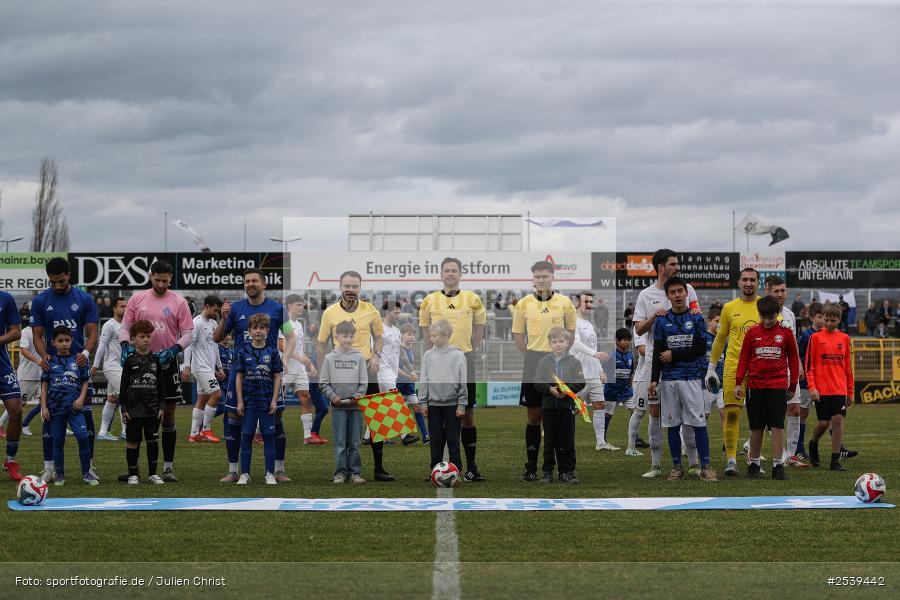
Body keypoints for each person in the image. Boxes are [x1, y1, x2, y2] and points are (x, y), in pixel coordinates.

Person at [214, 270, 297, 483]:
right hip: (240, 374)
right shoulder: (236, 309)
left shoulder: (277, 309)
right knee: (234, 421)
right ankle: (234, 470)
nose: (250, 284)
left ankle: (278, 470)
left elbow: (291, 336)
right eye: (247, 281)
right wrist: (224, 319)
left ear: (264, 284)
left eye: (254, 281)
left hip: (268, 376)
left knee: (276, 421)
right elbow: (217, 337)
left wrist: (286, 359)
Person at [118, 260, 193, 483]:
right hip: (138, 363)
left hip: (166, 363)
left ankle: (167, 469)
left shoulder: (179, 302)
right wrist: (124, 346)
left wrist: (174, 350)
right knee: (135, 414)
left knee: (167, 414)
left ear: (171, 279)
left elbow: (188, 333)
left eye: (165, 281)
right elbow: (125, 327)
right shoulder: (137, 299)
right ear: (151, 276)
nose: (161, 284)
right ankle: (134, 470)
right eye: (157, 279)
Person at [317, 271, 392, 481]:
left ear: (360, 288)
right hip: (340, 370)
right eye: (347, 286)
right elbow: (321, 344)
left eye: (355, 286)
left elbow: (379, 338)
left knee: (376, 419)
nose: (351, 290)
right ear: (340, 287)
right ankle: (342, 470)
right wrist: (322, 373)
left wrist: (376, 355)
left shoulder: (370, 310)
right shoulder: (330, 312)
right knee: (342, 420)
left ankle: (379, 468)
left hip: (367, 369)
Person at [633, 249, 701, 479]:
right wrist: (655, 316)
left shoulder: (688, 289)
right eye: (673, 264)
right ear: (661, 267)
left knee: (688, 412)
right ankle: (655, 465)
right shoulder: (646, 295)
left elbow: (696, 318)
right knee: (655, 411)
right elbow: (638, 330)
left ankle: (693, 463)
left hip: (684, 361)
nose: (677, 267)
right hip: (656, 361)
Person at [30, 257, 99, 482]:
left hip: (78, 365)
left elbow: (93, 332)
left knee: (85, 417)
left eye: (61, 281)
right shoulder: (40, 300)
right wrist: (44, 356)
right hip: (54, 367)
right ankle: (49, 468)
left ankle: (89, 466)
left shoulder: (84, 299)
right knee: (49, 418)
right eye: (53, 282)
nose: (57, 286)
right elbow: (37, 335)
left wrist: (85, 354)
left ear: (69, 275)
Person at [419, 257, 486, 481]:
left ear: (460, 274)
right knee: (437, 415)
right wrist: (436, 355)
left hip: (463, 358)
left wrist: (463, 351)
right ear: (441, 274)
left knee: (467, 415)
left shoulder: (472, 299)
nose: (450, 273)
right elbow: (425, 333)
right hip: (437, 361)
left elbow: (478, 331)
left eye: (454, 270)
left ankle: (471, 467)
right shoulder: (429, 301)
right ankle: (435, 468)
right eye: (446, 270)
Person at [512, 260, 577, 482]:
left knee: (559, 415)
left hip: (559, 361)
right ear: (533, 279)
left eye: (545, 276)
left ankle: (564, 469)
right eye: (537, 276)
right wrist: (533, 357)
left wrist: (560, 355)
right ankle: (531, 468)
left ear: (552, 278)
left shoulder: (565, 303)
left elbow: (571, 334)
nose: (541, 280)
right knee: (534, 416)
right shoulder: (523, 304)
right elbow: (518, 337)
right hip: (533, 361)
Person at [649, 276, 716, 482]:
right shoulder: (661, 321)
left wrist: (674, 354)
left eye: (680, 291)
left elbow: (700, 349)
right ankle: (677, 467)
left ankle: (706, 467)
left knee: (698, 423)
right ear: (668, 296)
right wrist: (654, 379)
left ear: (687, 293)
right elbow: (658, 352)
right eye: (673, 292)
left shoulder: (696, 318)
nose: (677, 295)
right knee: (672, 424)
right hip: (669, 380)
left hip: (691, 378)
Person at [734, 296, 800, 480]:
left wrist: (792, 385)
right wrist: (738, 382)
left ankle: (778, 465)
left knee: (777, 425)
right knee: (756, 426)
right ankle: (754, 464)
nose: (767, 321)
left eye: (771, 317)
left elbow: (794, 360)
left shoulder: (786, 332)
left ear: (777, 314)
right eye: (764, 317)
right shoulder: (752, 332)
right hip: (755, 386)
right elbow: (744, 358)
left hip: (777, 385)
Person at [707, 267, 761, 476]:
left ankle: (754, 460)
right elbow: (720, 339)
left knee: (758, 418)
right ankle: (731, 460)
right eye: (745, 279)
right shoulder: (729, 308)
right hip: (733, 367)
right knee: (731, 413)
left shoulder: (766, 305)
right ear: (739, 282)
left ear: (758, 283)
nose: (748, 283)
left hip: (760, 368)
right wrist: (711, 368)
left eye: (752, 280)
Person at [39, 326, 96, 486]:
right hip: (56, 409)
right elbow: (44, 384)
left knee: (83, 438)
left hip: (74, 408)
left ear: (71, 341)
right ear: (53, 342)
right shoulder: (49, 362)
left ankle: (86, 474)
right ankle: (60, 475)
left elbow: (85, 381)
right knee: (57, 441)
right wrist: (44, 407)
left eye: (67, 340)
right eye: (60, 341)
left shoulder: (78, 360)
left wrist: (81, 399)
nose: (64, 344)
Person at [761, 275, 807, 468]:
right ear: (768, 291)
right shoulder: (760, 312)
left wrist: (799, 365)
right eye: (776, 291)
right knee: (772, 413)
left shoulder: (789, 315)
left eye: (783, 290)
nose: (780, 294)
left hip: (788, 368)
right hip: (769, 370)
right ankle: (774, 454)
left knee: (795, 409)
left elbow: (793, 344)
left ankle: (791, 455)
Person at [234, 313, 283, 485]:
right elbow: (239, 377)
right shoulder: (243, 351)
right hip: (249, 403)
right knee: (246, 436)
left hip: (266, 402)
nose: (258, 331)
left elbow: (277, 376)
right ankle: (244, 474)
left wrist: (274, 400)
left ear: (267, 331)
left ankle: (269, 473)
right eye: (255, 328)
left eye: (262, 328)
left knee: (269, 437)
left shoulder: (273, 352)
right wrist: (239, 401)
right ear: (249, 331)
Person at [806, 303, 854, 472]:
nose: (828, 323)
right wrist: (812, 387)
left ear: (839, 320)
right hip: (821, 389)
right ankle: (813, 443)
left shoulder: (845, 338)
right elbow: (810, 366)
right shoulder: (815, 338)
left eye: (832, 320)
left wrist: (850, 391)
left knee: (837, 420)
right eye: (826, 319)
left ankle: (835, 460)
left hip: (839, 388)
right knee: (824, 422)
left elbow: (847, 367)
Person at [319, 320, 368, 484]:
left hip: (356, 407)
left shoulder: (359, 357)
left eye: (351, 336)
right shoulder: (329, 358)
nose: (348, 339)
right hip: (338, 407)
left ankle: (355, 473)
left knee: (354, 442)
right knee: (340, 441)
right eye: (344, 336)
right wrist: (333, 396)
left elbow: (364, 383)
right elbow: (323, 383)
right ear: (337, 336)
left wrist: (358, 395)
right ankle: (340, 473)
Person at [534, 327, 585, 484]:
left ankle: (567, 471)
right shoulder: (543, 362)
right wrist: (550, 389)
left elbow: (581, 382)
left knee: (567, 441)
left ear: (567, 342)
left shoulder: (574, 362)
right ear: (550, 343)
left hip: (566, 408)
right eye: (554, 341)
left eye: (561, 341)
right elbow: (537, 381)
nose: (558, 344)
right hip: (549, 408)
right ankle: (547, 472)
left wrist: (566, 390)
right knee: (549, 441)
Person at [420, 319, 468, 477]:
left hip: (453, 405)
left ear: (445, 335)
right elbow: (424, 379)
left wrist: (462, 404)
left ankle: (456, 470)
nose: (431, 338)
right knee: (436, 440)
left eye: (434, 336)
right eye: (431, 335)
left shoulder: (458, 355)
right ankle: (435, 470)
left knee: (453, 439)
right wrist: (423, 403)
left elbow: (462, 381)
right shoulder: (428, 355)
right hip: (434, 405)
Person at [120, 320, 166, 485]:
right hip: (133, 409)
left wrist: (161, 406)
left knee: (152, 440)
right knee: (133, 441)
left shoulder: (156, 360)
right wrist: (124, 408)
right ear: (133, 339)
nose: (146, 340)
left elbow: (161, 386)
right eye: (142, 337)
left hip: (152, 409)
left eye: (148, 336)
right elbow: (123, 386)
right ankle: (133, 475)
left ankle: (152, 474)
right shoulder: (129, 360)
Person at [569, 291, 612, 450]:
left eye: (590, 302)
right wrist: (594, 354)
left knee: (600, 404)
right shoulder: (573, 322)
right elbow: (575, 343)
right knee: (573, 409)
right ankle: (552, 430)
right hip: (579, 373)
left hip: (593, 374)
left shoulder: (590, 324)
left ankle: (601, 443)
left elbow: (594, 348)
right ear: (577, 303)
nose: (589, 304)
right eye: (585, 301)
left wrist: (600, 370)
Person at [182, 295, 225, 443]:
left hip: (209, 368)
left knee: (202, 399)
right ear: (206, 306)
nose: (216, 313)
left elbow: (215, 347)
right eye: (215, 310)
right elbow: (189, 346)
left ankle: (194, 434)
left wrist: (219, 367)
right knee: (217, 394)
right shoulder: (196, 323)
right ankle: (206, 430)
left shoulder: (213, 323)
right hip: (200, 367)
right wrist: (187, 366)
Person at [280, 294, 320, 446]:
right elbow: (281, 346)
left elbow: (300, 348)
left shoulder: (299, 324)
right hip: (284, 369)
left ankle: (308, 436)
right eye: (298, 305)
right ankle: (259, 433)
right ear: (289, 305)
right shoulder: (283, 323)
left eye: (302, 305)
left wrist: (309, 364)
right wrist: (299, 358)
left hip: (299, 370)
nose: (301, 307)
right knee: (276, 403)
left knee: (306, 398)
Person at [379, 300, 418, 445]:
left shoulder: (396, 331)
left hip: (393, 374)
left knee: (383, 406)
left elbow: (400, 354)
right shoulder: (379, 330)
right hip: (383, 373)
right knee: (396, 402)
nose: (398, 315)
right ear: (387, 312)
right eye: (395, 312)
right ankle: (404, 435)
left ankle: (369, 437)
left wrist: (410, 370)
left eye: (399, 312)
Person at [93, 297, 128, 441]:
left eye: (126, 306)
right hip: (111, 366)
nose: (125, 309)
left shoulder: (127, 324)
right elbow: (101, 346)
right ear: (114, 309)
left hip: (122, 366)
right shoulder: (109, 325)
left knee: (113, 398)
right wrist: (95, 366)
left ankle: (103, 432)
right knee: (127, 394)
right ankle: (126, 431)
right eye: (122, 306)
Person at [0, 290, 24, 481]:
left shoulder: (5, 298)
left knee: (16, 411)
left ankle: (10, 460)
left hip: (2, 364)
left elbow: (16, 331)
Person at [796, 302, 824, 459]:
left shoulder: (827, 334)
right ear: (812, 318)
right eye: (819, 317)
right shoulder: (807, 336)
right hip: (807, 381)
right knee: (803, 413)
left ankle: (839, 448)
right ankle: (799, 448)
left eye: (824, 316)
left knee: (829, 414)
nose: (822, 320)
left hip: (823, 381)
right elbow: (801, 358)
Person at [604, 328, 634, 452]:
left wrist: (630, 386)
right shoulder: (611, 356)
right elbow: (607, 374)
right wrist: (615, 386)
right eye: (624, 340)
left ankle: (635, 438)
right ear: (617, 341)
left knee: (636, 411)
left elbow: (631, 373)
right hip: (612, 392)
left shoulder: (630, 355)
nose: (627, 342)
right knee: (607, 415)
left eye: (628, 340)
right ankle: (602, 440)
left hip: (626, 391)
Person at [398, 323, 429, 442]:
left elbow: (409, 368)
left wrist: (412, 375)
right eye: (409, 334)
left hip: (409, 386)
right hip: (399, 386)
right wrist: (409, 376)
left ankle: (425, 436)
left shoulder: (410, 350)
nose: (412, 337)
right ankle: (369, 436)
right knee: (395, 413)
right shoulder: (398, 350)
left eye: (413, 335)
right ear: (401, 335)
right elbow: (396, 369)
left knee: (418, 408)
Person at [701, 309, 726, 452]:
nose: (719, 324)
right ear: (709, 321)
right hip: (707, 384)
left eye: (721, 322)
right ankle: (692, 444)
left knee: (724, 413)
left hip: (721, 383)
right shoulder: (703, 338)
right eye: (717, 321)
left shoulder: (723, 340)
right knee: (704, 415)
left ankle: (727, 445)